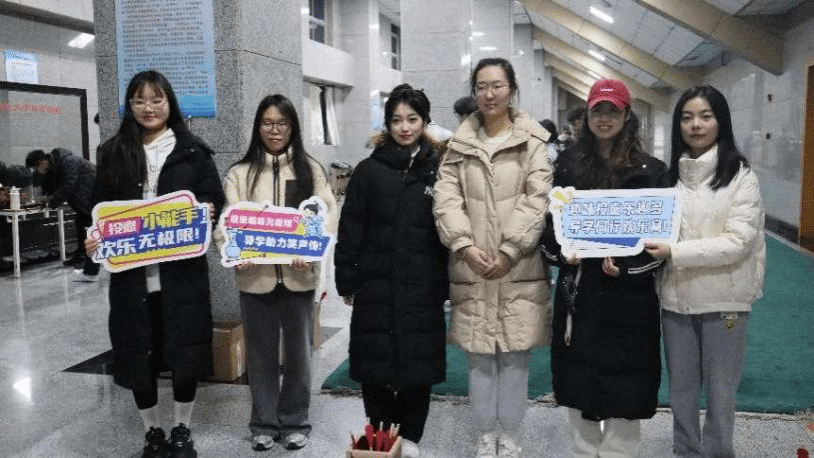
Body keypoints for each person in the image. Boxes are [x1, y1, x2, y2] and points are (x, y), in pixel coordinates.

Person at [85, 70, 225, 458]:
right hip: (132, 279)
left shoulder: (193, 151)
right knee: (137, 356)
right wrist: (95, 238)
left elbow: (214, 197)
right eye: (140, 100)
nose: (149, 108)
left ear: (170, 103)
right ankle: (152, 432)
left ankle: (182, 428)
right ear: (129, 105)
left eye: (157, 99)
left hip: (181, 276)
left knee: (185, 353)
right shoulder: (113, 152)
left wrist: (209, 210)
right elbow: (99, 209)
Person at [540, 79, 667, 457]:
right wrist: (563, 253)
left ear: (627, 115)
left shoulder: (651, 172)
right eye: (598, 110)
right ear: (587, 115)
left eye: (613, 111)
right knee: (579, 390)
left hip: (630, 302)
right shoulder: (566, 166)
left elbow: (661, 241)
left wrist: (628, 267)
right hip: (580, 299)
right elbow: (550, 226)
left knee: (625, 396)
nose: (605, 118)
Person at [433, 57, 553, 458]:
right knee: (480, 358)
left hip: (519, 266)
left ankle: (511, 433)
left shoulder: (533, 142)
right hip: (472, 266)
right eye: (481, 86)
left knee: (516, 359)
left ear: (512, 90)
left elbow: (538, 199)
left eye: (497, 85)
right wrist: (464, 246)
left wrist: (509, 249)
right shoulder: (459, 144)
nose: (489, 94)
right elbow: (446, 199)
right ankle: (486, 433)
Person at [644, 85, 766, 458]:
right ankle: (685, 451)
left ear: (720, 121)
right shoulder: (669, 178)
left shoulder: (741, 176)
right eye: (687, 117)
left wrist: (674, 252)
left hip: (725, 301)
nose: (695, 125)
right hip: (676, 300)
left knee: (720, 391)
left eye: (705, 116)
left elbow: (738, 242)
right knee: (680, 389)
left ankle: (717, 452)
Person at [215, 94, 337, 452]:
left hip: (299, 276)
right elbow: (227, 221)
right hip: (255, 278)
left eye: (282, 123)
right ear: (258, 127)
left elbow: (327, 214)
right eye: (267, 123)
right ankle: (264, 423)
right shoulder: (240, 173)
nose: (274, 130)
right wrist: (233, 251)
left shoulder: (310, 170)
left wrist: (309, 251)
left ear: (292, 127)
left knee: (299, 353)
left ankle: (296, 421)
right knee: (260, 353)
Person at [335, 83, 448, 458]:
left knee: (418, 368)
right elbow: (350, 229)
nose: (404, 127)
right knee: (376, 368)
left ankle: (411, 441)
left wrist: (446, 285)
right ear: (387, 124)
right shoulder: (368, 171)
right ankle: (382, 442)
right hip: (375, 287)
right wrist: (347, 279)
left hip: (422, 287)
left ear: (424, 121)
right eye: (397, 120)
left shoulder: (439, 171)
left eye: (412, 119)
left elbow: (448, 233)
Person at [26, 147, 99, 280]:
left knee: (88, 225)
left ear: (42, 162)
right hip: (82, 199)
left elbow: (68, 185)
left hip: (91, 195)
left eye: (36, 168)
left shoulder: (68, 162)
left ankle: (89, 261)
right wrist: (47, 197)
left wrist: (51, 201)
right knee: (80, 222)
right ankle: (81, 255)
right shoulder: (54, 167)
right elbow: (52, 187)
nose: (37, 171)